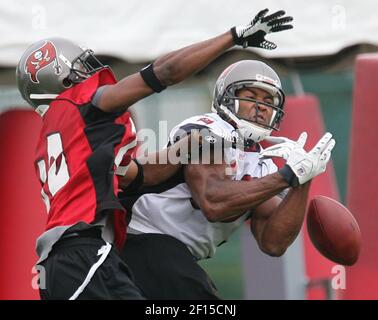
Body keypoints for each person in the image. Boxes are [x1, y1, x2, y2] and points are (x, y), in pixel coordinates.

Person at [16, 8, 293, 300]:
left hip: (77, 257)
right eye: (80, 66)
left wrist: (182, 149)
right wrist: (232, 37)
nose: (91, 72)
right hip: (83, 253)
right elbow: (164, 73)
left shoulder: (54, 138)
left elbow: (135, 176)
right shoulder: (83, 104)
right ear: (62, 79)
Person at [118, 60, 336, 299]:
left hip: (173, 253)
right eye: (251, 96)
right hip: (138, 237)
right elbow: (213, 202)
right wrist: (286, 176)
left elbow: (273, 243)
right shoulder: (207, 129)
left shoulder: (264, 163)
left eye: (267, 102)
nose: (260, 107)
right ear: (229, 97)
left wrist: (302, 181)